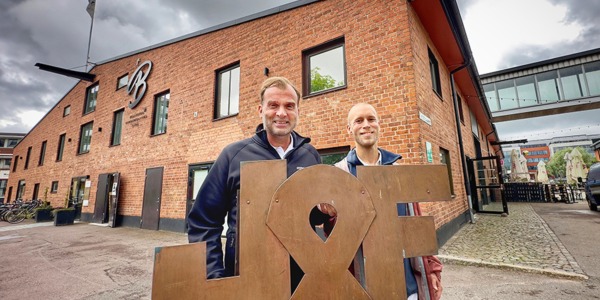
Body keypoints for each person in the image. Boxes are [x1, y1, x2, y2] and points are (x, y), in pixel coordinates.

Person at [187, 77, 321, 287]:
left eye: (289, 106)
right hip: (246, 276)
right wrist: (214, 275)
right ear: (260, 110)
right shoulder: (233, 156)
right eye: (273, 105)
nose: (281, 113)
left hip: (301, 278)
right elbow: (203, 221)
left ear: (297, 112)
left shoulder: (311, 156)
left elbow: (312, 215)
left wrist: (324, 210)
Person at [333, 103, 443, 300]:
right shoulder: (339, 176)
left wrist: (432, 269)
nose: (366, 125)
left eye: (371, 119)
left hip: (406, 286)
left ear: (379, 124)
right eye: (358, 121)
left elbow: (416, 226)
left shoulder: (400, 174)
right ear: (349, 129)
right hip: (362, 287)